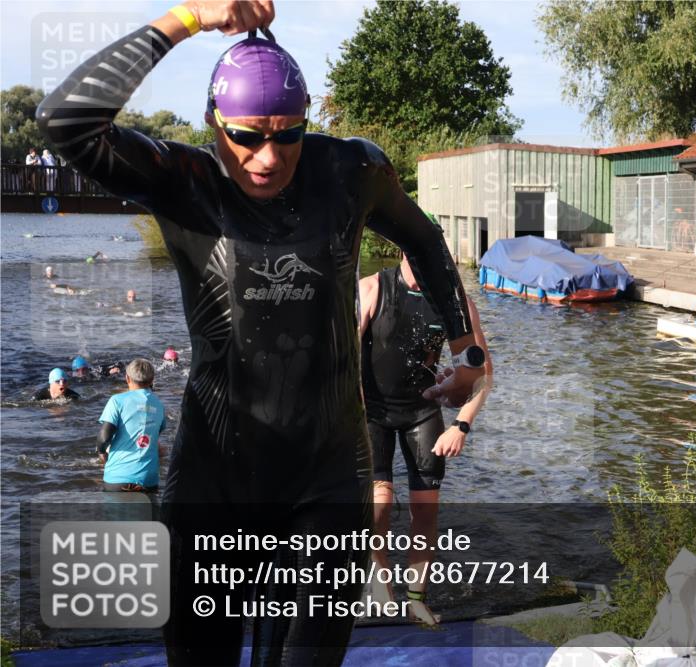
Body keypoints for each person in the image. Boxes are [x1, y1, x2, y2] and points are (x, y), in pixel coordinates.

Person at [37, 2, 485, 664]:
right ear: (215, 123)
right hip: (215, 473)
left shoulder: (349, 172)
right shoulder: (184, 181)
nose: (268, 157)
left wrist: (465, 348)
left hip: (328, 472)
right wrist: (189, 17)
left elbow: (422, 235)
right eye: (246, 136)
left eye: (288, 134)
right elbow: (63, 122)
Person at [359, 252, 491, 625]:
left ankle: (417, 598)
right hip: (372, 411)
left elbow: (482, 376)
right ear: (404, 251)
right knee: (378, 504)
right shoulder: (370, 289)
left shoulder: (455, 304)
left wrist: (460, 425)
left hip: (422, 411)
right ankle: (378, 577)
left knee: (425, 509)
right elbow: (342, 359)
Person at [96, 359, 166, 492]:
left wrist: (101, 452)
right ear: (152, 380)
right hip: (148, 480)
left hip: (118, 479)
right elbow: (155, 435)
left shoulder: (117, 401)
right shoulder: (159, 404)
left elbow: (104, 437)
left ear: (127, 378)